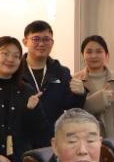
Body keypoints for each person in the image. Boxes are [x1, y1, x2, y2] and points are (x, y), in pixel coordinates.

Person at [22, 20, 84, 149]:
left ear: (52, 43)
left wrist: (79, 94)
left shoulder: (61, 71)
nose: (41, 44)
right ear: (25, 41)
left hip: (53, 140)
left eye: (46, 39)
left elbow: (70, 105)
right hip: (23, 139)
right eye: (36, 39)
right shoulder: (15, 71)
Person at [74, 34, 114, 138]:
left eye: (99, 51)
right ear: (82, 55)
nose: (94, 56)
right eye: (89, 52)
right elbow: (73, 113)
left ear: (106, 54)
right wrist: (99, 99)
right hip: (86, 139)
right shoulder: (75, 81)